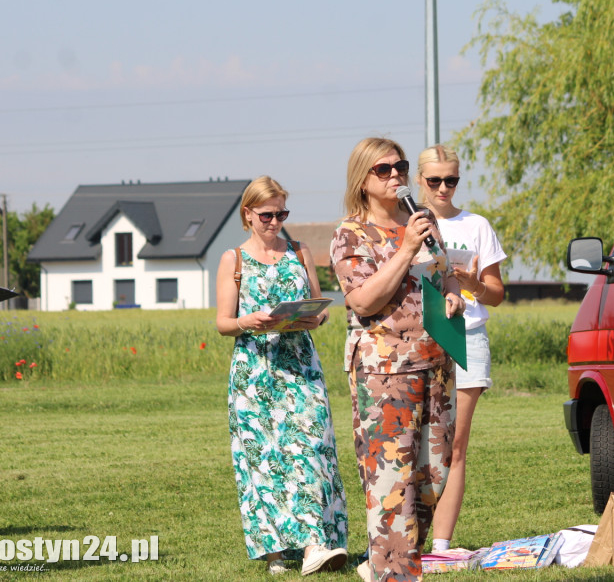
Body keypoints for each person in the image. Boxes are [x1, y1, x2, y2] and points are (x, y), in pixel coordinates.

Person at [330, 137, 465, 582]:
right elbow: (364, 300)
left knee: (432, 477)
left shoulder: (423, 222)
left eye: (400, 167)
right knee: (391, 481)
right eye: (383, 170)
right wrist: (405, 249)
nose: (395, 176)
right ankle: (395, 572)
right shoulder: (351, 234)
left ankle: (388, 563)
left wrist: (452, 298)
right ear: (363, 181)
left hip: (435, 366)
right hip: (384, 373)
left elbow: (445, 276)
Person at [215, 176, 348, 576]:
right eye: (267, 215)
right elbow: (222, 323)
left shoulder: (299, 250)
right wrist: (248, 320)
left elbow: (321, 305)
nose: (275, 222)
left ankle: (315, 544)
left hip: (300, 365)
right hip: (255, 370)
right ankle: (275, 550)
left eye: (282, 214)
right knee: (264, 459)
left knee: (310, 449)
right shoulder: (232, 260)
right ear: (248, 214)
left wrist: (315, 316)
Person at [415, 145, 506, 552]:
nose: (443, 188)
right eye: (434, 180)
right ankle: (403, 539)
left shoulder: (477, 226)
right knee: (411, 443)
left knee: (454, 444)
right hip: (417, 341)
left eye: (451, 180)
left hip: (466, 337)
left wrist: (470, 285)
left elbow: (497, 294)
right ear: (419, 181)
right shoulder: (407, 223)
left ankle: (441, 544)